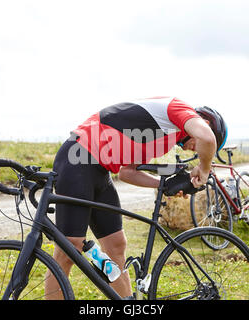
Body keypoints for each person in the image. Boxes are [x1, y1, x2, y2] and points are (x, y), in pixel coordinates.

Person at [45, 97, 227, 298]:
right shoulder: (177, 108)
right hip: (77, 157)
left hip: (100, 171)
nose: (195, 150)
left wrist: (164, 185)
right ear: (206, 123)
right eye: (204, 148)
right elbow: (207, 139)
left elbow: (126, 172)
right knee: (69, 249)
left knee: (116, 245)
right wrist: (205, 168)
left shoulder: (166, 138)